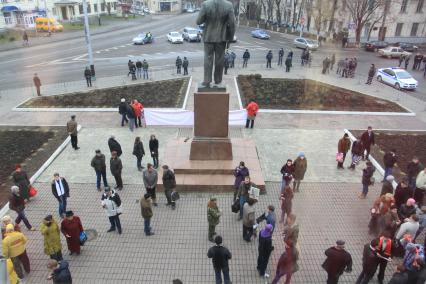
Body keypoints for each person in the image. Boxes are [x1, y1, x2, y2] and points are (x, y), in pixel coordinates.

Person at [196, 0, 235, 87]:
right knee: (219, 60)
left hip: (208, 37)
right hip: (221, 38)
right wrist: (230, 39)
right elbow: (232, 24)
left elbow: (198, 21)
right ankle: (218, 81)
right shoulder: (229, 5)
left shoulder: (206, 4)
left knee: (208, 58)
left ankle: (206, 81)